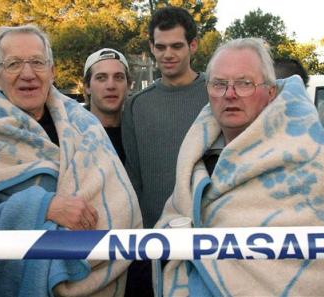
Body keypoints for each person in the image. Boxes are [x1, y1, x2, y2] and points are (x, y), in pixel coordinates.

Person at [0, 24, 141, 297]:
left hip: (103, 277)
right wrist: (40, 207)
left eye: (37, 62)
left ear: (52, 72)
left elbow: (122, 206)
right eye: (13, 63)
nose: (28, 74)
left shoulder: (85, 126)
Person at [154, 38, 324, 296]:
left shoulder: (309, 159)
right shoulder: (194, 158)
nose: (230, 94)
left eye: (244, 83)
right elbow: (172, 222)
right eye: (219, 84)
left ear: (270, 92)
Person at [122, 6, 208, 297]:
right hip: (152, 243)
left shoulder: (218, 92)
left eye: (176, 46)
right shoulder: (136, 106)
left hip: (209, 237)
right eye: (160, 47)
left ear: (193, 45)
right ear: (151, 47)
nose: (167, 54)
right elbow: (134, 180)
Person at [84, 48, 131, 163]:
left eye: (118, 77)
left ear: (129, 85)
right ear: (87, 87)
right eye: (101, 78)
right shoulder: (71, 135)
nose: (111, 86)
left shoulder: (139, 135)